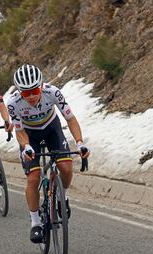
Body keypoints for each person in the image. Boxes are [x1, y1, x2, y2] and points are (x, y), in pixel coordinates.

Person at [6, 64, 90, 243]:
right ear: (19, 91)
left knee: (66, 167)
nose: (31, 96)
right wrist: (26, 146)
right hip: (29, 136)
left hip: (52, 129)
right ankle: (35, 223)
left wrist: (80, 142)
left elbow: (70, 119)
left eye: (34, 90)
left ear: (41, 85)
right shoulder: (13, 103)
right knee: (33, 178)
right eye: (25, 93)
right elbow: (19, 131)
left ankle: (63, 196)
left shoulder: (53, 92)